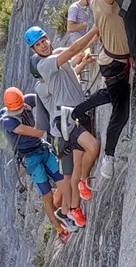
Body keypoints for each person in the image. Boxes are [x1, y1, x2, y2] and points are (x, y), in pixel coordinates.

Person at [25, 25, 102, 210]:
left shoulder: (56, 56)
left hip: (77, 112)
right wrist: (95, 28)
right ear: (33, 50)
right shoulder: (44, 66)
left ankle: (74, 209)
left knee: (75, 166)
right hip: (66, 118)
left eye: (44, 41)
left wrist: (95, 37)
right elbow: (74, 49)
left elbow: (76, 54)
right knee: (92, 148)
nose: (43, 45)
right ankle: (82, 183)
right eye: (38, 45)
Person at [69, 0, 135, 161]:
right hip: (115, 63)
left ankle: (79, 109)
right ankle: (109, 155)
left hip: (112, 61)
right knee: (121, 110)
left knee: (111, 93)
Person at [0, 88, 78, 241]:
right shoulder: (7, 121)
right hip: (30, 159)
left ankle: (65, 212)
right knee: (47, 196)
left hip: (42, 149)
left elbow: (44, 96)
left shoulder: (27, 100)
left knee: (63, 182)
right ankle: (60, 229)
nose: (20, 111)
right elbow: (36, 132)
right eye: (17, 109)